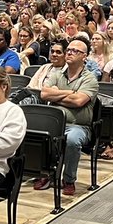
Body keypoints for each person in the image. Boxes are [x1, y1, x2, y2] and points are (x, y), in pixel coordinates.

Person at [37, 35, 97, 197]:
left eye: (75, 51)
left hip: (78, 125)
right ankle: (46, 173)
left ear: (84, 56)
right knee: (37, 132)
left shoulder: (90, 79)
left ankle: (69, 180)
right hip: (55, 124)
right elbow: (44, 93)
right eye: (68, 50)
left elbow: (78, 101)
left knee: (71, 140)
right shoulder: (58, 73)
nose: (69, 53)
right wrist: (69, 93)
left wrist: (57, 95)